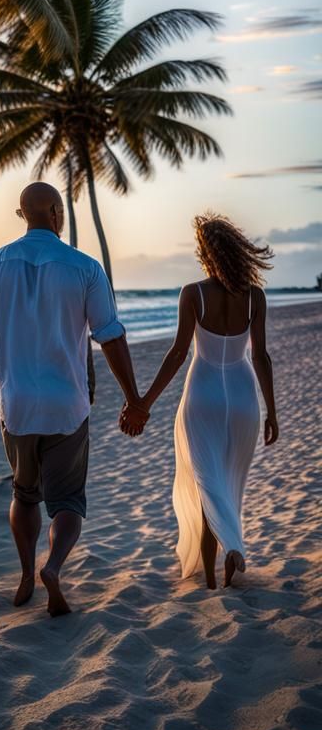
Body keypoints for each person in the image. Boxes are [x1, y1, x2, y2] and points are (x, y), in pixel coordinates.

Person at [0, 182, 142, 617]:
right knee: (67, 500)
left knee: (25, 495)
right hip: (68, 405)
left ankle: (27, 573)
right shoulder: (84, 267)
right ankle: (55, 566)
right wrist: (133, 398)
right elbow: (110, 336)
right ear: (57, 212)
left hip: (18, 407)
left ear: (23, 214)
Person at [123, 213, 278, 589]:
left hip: (203, 393)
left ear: (206, 254)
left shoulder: (193, 293)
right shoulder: (255, 297)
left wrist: (144, 401)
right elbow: (260, 356)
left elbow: (177, 354)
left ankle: (217, 568)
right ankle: (231, 550)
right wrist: (272, 411)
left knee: (207, 484)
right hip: (243, 397)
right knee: (227, 482)